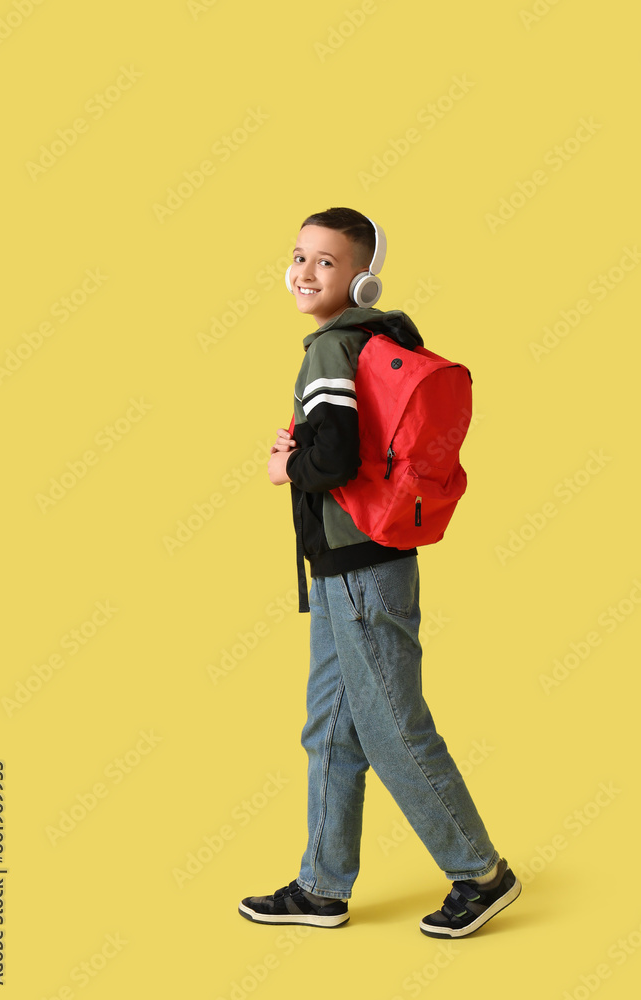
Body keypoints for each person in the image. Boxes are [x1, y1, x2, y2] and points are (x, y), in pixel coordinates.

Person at [238, 207, 521, 937]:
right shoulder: (376, 340)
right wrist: (306, 447)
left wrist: (285, 466)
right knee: (330, 730)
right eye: (298, 255)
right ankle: (320, 886)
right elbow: (349, 446)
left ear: (361, 279)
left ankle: (480, 871)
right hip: (349, 565)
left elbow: (330, 461)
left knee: (392, 728)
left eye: (325, 262)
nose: (303, 271)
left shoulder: (331, 349)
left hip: (361, 569)